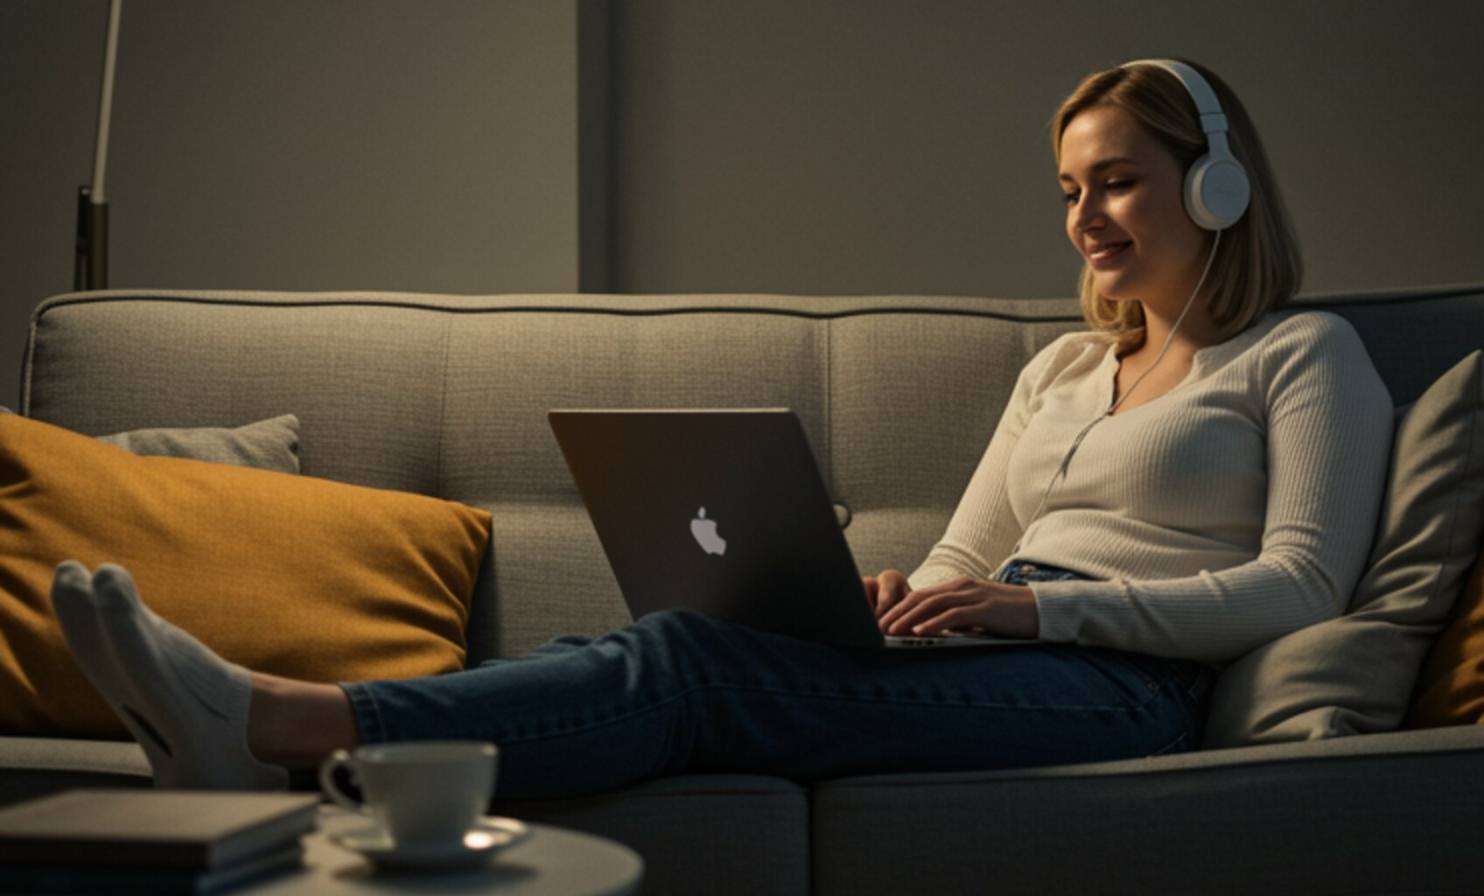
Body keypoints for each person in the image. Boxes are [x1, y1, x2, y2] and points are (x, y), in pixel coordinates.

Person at [50, 57, 1393, 798]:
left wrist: (1040, 616)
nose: (1085, 218)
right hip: (1003, 642)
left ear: (1213, 184)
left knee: (689, 669)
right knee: (668, 640)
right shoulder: (1055, 371)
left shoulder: (1300, 356)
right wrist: (890, 600)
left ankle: (284, 723)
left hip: (1123, 691)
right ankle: (291, 733)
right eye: (1068, 190)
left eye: (1117, 183)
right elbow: (964, 554)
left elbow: (1302, 585)